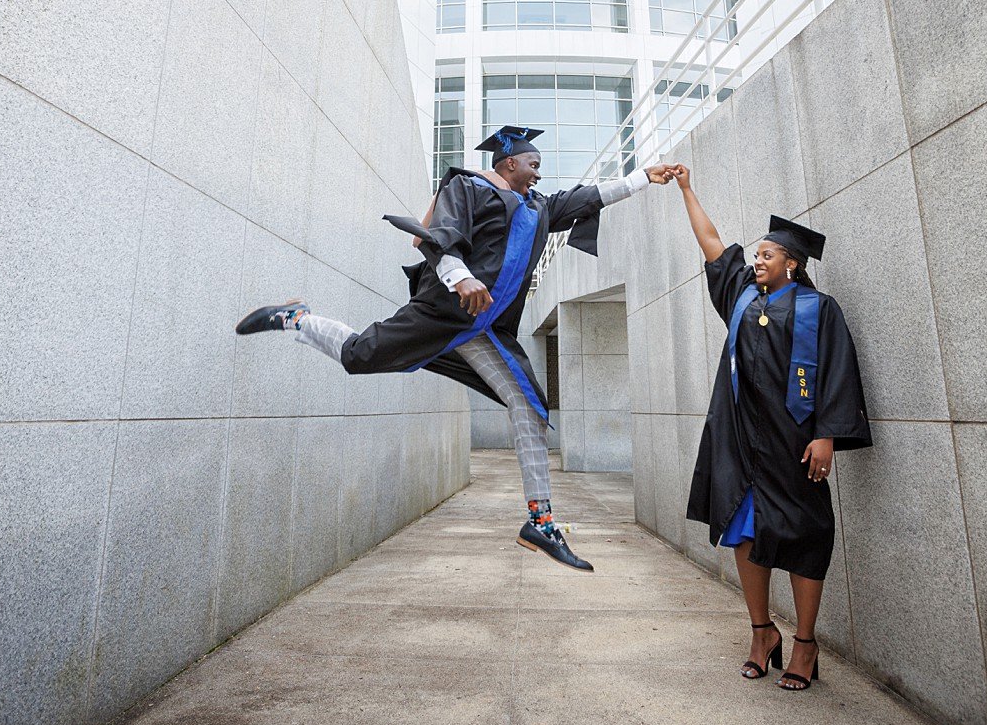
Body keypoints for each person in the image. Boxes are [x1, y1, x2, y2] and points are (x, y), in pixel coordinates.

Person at [236, 126, 675, 572]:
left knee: (529, 407)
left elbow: (589, 196)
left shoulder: (537, 207)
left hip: (487, 330)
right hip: (445, 313)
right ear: (509, 163)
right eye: (534, 164)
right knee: (357, 356)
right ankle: (297, 317)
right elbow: (439, 233)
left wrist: (644, 176)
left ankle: (541, 522)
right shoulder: (467, 186)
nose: (539, 174)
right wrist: (459, 276)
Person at [671, 165, 871, 690]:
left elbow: (839, 370)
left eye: (766, 255)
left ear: (792, 263)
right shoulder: (740, 297)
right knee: (743, 532)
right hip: (741, 442)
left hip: (794, 444)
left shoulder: (819, 310)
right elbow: (712, 242)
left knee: (805, 536)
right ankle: (763, 633)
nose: (757, 260)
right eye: (756, 255)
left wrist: (826, 434)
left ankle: (805, 643)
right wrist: (688, 188)